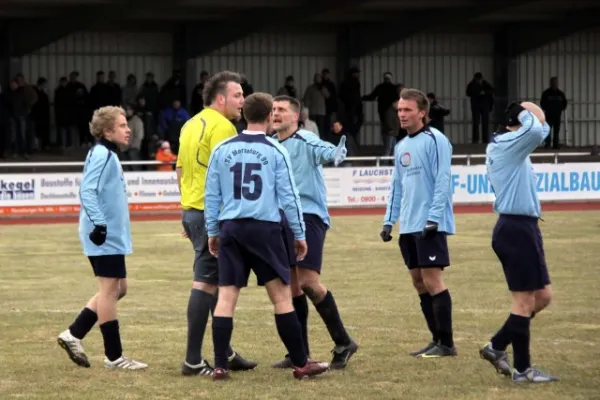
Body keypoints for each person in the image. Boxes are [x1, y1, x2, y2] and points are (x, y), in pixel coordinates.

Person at [204, 92, 330, 381]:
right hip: (265, 230)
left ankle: (221, 365)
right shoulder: (276, 150)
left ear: (245, 114)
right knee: (282, 297)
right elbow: (289, 196)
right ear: (268, 116)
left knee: (226, 297)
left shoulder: (222, 148)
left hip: (231, 228)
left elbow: (212, 195)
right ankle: (301, 364)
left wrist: (213, 231)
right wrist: (299, 234)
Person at [176, 71, 256, 376]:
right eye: (238, 95)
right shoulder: (224, 127)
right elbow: (230, 174)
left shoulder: (190, 123)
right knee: (207, 282)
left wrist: (186, 209)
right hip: (214, 213)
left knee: (219, 282)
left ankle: (226, 351)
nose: (243, 101)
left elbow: (180, 169)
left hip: (194, 209)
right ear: (220, 98)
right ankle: (193, 360)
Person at [270, 95, 358, 370]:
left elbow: (327, 151)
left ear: (296, 117)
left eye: (282, 110)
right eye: (273, 109)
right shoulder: (271, 145)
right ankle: (300, 354)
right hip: (281, 220)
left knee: (308, 282)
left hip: (308, 216)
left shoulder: (307, 140)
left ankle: (343, 341)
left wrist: (336, 152)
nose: (276, 114)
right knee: (292, 286)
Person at [57, 106, 147, 370]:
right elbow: (87, 190)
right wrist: (99, 225)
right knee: (109, 291)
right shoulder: (102, 154)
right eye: (122, 125)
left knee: (119, 289)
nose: (128, 129)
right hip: (103, 236)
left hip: (110, 236)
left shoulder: (107, 154)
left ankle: (73, 333)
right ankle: (114, 356)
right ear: (107, 131)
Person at [479, 101, 558, 383]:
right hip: (516, 228)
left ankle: (497, 345)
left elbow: (541, 129)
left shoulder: (513, 144)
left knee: (543, 297)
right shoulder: (507, 143)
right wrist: (524, 109)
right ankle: (523, 370)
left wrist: (531, 112)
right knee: (524, 301)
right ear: (518, 122)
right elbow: (537, 131)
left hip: (522, 227)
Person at [380, 88, 457, 358]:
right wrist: (389, 221)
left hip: (429, 223)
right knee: (418, 281)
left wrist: (434, 217)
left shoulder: (435, 140)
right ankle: (435, 339)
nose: (401, 114)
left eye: (407, 110)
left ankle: (446, 344)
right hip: (409, 225)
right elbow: (397, 187)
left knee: (433, 280)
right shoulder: (401, 146)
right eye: (399, 110)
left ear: (422, 113)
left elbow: (443, 180)